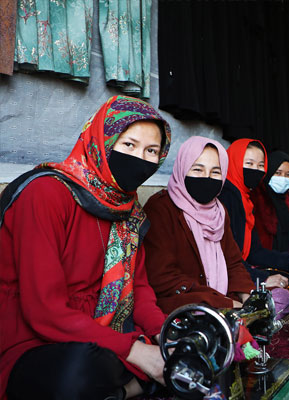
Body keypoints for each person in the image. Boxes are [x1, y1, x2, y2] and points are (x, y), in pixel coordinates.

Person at [0, 96, 172, 400]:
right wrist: (136, 350)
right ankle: (130, 387)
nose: (139, 158)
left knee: (187, 353)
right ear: (101, 139)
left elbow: (140, 289)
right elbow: (44, 311)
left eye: (151, 151)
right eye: (128, 145)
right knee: (77, 372)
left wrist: (164, 333)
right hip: (30, 340)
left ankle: (126, 387)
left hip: (101, 335)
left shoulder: (130, 212)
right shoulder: (46, 194)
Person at [142, 136, 255, 314]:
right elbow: (162, 277)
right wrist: (218, 301)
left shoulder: (219, 211)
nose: (207, 178)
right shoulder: (161, 208)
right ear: (182, 168)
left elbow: (232, 263)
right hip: (181, 305)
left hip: (220, 301)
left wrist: (248, 295)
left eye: (215, 172)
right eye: (197, 169)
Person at [219, 139, 289, 317]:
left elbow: (254, 249)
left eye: (260, 165)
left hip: (242, 271)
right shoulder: (227, 197)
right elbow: (227, 257)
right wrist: (261, 278)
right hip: (228, 278)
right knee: (281, 298)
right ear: (233, 161)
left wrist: (286, 262)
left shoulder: (245, 199)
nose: (255, 170)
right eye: (249, 163)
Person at [250, 150, 289, 253]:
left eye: (288, 175)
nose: (283, 178)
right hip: (264, 262)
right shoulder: (255, 199)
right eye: (278, 173)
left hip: (287, 260)